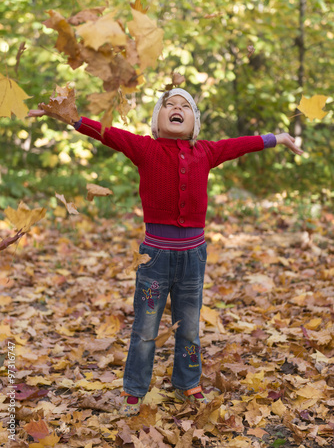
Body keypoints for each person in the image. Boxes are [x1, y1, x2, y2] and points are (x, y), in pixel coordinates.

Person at [28, 88, 303, 416]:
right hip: (155, 258)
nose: (176, 108)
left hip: (193, 259)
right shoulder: (145, 147)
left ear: (194, 123)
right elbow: (108, 134)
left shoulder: (206, 151)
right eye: (168, 105)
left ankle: (189, 382)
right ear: (157, 122)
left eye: (184, 106)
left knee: (188, 327)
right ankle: (135, 388)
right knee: (145, 328)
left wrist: (277, 137)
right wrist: (71, 118)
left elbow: (240, 144)